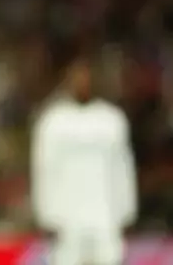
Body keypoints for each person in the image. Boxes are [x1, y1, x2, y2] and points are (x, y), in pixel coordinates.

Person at [31, 52, 138, 265]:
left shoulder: (112, 119)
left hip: (106, 216)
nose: (82, 82)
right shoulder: (53, 122)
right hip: (66, 220)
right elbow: (43, 169)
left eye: (86, 77)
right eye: (77, 77)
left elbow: (123, 168)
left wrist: (127, 211)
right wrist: (46, 215)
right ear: (67, 81)